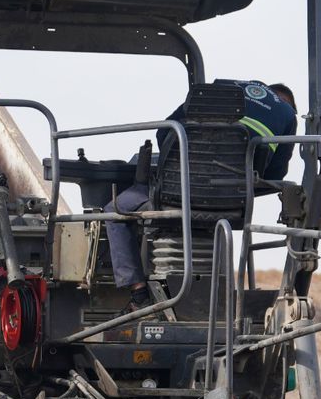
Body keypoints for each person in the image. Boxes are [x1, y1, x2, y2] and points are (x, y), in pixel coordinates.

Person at [106, 79, 297, 307]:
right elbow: (275, 173)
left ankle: (139, 294)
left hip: (173, 193)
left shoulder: (217, 90)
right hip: (232, 201)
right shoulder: (287, 114)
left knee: (114, 211)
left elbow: (163, 132)